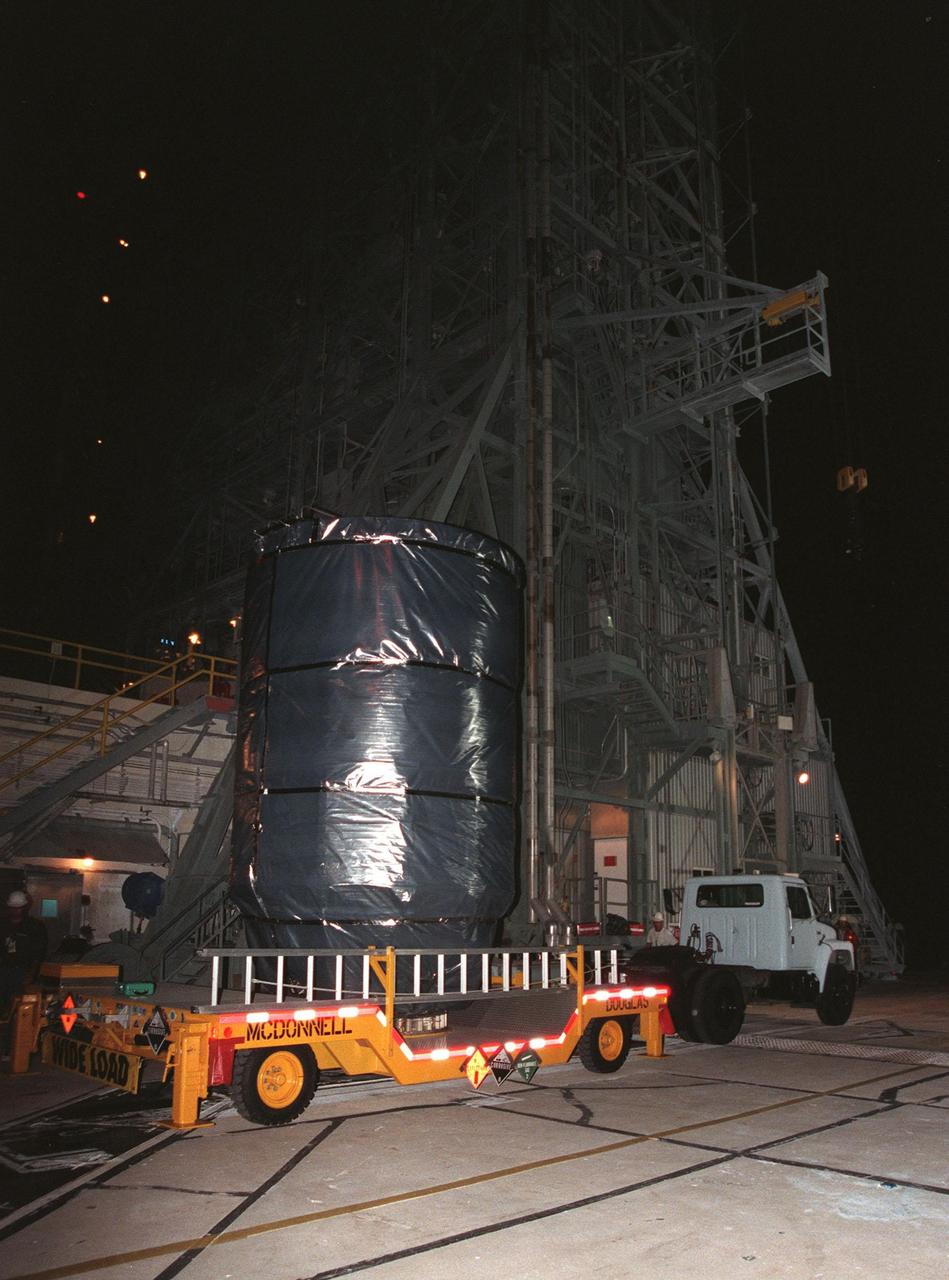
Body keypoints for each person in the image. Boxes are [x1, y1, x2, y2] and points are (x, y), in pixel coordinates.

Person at [1, 890, 48, 1011]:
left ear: (24, 907)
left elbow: (38, 953)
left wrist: (31, 974)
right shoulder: (3, 924)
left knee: (17, 1004)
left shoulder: (34, 926)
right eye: (13, 908)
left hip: (22, 971)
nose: (15, 911)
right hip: (4, 970)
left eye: (18, 908)